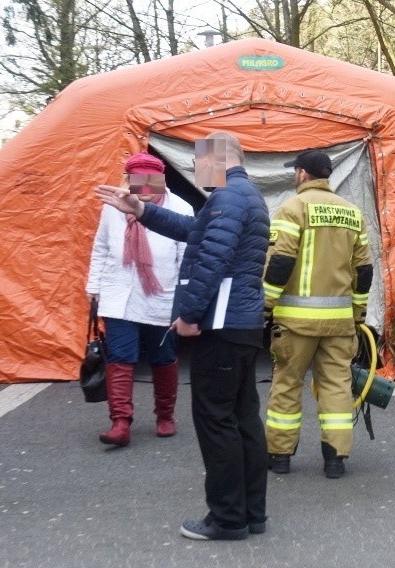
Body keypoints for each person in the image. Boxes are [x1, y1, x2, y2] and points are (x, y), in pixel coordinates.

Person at [94, 131, 270, 541]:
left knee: (216, 419)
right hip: (242, 325)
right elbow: (197, 230)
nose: (194, 167)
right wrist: (142, 209)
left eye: (200, 159)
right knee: (243, 418)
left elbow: (212, 257)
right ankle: (250, 513)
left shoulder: (227, 197)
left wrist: (190, 314)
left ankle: (227, 519)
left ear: (219, 157)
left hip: (221, 325)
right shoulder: (245, 196)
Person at [263, 149, 372, 479]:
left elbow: (280, 262)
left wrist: (266, 307)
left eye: (294, 170)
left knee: (286, 385)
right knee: (337, 387)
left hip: (295, 323)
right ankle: (335, 460)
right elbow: (363, 271)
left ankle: (280, 457)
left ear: (301, 174)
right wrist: (358, 313)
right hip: (339, 323)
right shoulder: (353, 213)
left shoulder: (292, 209)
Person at [86, 152, 193, 447]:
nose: (145, 187)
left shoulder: (181, 208)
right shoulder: (113, 208)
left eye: (151, 179)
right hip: (119, 294)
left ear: (161, 179)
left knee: (163, 358)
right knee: (120, 357)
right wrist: (94, 286)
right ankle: (120, 422)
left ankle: (165, 416)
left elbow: (187, 258)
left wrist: (185, 300)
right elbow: (101, 247)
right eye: (138, 180)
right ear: (129, 180)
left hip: (162, 296)